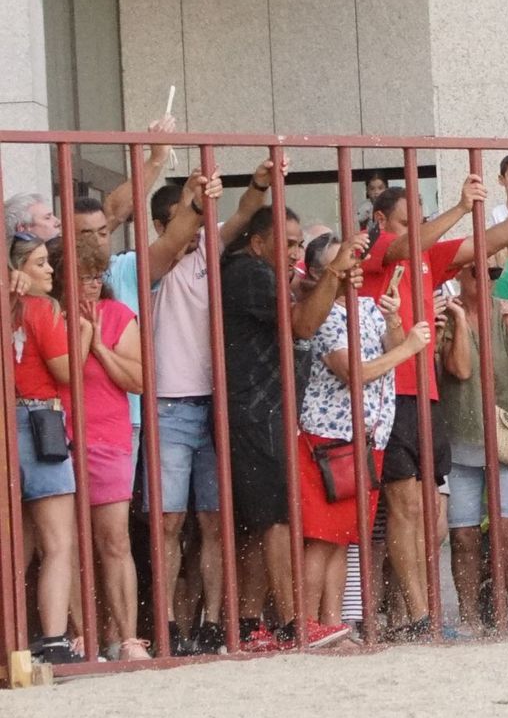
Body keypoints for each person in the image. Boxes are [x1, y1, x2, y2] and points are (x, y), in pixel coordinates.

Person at [358, 175, 508, 637]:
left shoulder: (425, 253)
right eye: (408, 221)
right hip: (387, 391)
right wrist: (461, 208)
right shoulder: (377, 251)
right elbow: (405, 247)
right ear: (381, 220)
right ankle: (419, 617)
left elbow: (486, 244)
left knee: (432, 518)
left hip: (425, 395)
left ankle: (419, 615)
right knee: (405, 510)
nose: (418, 229)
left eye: (420, 220)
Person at [222, 207, 365, 650]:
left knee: (262, 523)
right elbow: (303, 323)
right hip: (258, 411)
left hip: (263, 410)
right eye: (285, 244)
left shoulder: (256, 272)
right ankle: (291, 624)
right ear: (258, 242)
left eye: (297, 244)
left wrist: (321, 283)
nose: (294, 253)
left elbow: (297, 308)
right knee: (279, 520)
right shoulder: (249, 272)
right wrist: (333, 276)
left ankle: (251, 626)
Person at [145, 166, 271, 655]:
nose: (198, 226)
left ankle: (217, 622)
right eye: (187, 217)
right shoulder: (146, 264)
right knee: (169, 523)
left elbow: (243, 212)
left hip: (213, 406)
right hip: (168, 407)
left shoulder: (208, 254)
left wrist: (258, 183)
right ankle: (169, 625)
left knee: (215, 524)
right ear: (162, 224)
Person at [296, 236, 429, 633]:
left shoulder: (366, 306)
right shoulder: (322, 317)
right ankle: (306, 624)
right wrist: (408, 348)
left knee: (343, 538)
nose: (354, 266)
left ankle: (332, 626)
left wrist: (393, 322)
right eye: (344, 260)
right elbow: (354, 372)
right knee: (322, 538)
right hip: (329, 440)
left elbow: (386, 346)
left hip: (368, 438)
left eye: (355, 258)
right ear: (320, 273)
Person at [46, 237, 148, 660]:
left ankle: (127, 638)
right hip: (57, 437)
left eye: (96, 276)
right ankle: (80, 635)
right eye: (82, 276)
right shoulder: (48, 315)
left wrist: (99, 348)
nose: (91, 284)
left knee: (114, 542)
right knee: (64, 543)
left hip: (107, 437)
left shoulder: (119, 315)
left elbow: (139, 380)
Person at [438, 261, 508, 633]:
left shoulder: (505, 313)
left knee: (507, 526)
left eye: (494, 273)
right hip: (462, 435)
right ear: (458, 275)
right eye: (477, 272)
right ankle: (470, 619)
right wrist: (461, 322)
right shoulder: (445, 314)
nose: (487, 279)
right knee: (463, 534)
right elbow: (461, 370)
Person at [9, 234, 84, 664]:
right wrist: (83, 336)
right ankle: (54, 639)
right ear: (21, 270)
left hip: (7, 423)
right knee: (57, 543)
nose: (51, 270)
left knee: (16, 545)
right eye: (40, 263)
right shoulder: (44, 309)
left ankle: (11, 636)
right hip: (41, 421)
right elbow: (65, 371)